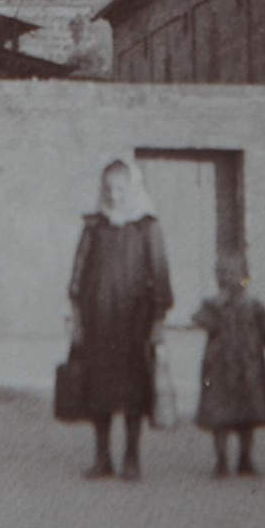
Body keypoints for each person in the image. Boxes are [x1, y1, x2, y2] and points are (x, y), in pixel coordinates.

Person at [68, 157, 173, 481]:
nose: (114, 195)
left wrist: (157, 318)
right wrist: (78, 315)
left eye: (121, 188)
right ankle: (102, 457)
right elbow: (79, 272)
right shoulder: (94, 226)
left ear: (133, 188)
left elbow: (160, 274)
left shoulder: (147, 227)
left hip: (133, 322)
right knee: (99, 388)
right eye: (108, 188)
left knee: (133, 389)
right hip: (99, 319)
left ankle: (132, 456)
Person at [191, 247, 265, 478]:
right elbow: (200, 320)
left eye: (233, 273)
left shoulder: (253, 305)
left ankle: (245, 457)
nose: (227, 278)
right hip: (219, 367)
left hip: (248, 367)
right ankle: (221, 459)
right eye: (222, 273)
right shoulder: (213, 304)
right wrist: (218, 306)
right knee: (219, 415)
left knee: (247, 416)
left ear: (245, 276)